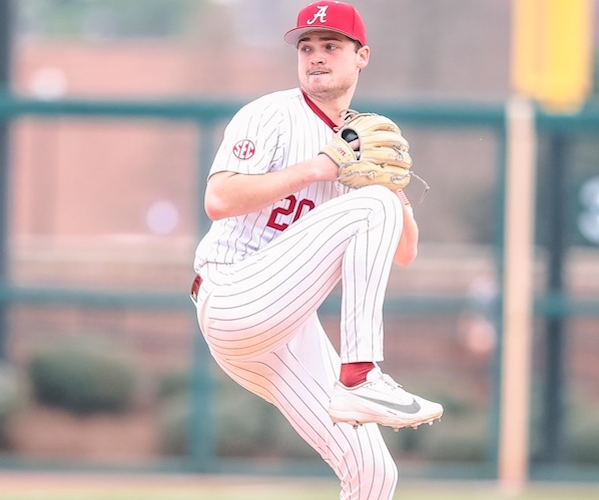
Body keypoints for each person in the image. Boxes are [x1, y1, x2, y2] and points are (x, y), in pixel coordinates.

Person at [190, 1, 442, 498]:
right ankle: (360, 376)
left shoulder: (361, 138)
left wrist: (393, 190)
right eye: (306, 47)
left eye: (331, 45)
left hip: (286, 328)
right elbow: (218, 200)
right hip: (232, 295)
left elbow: (405, 253)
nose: (316, 56)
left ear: (361, 55)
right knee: (371, 206)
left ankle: (358, 383)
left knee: (374, 473)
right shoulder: (271, 114)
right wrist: (318, 168)